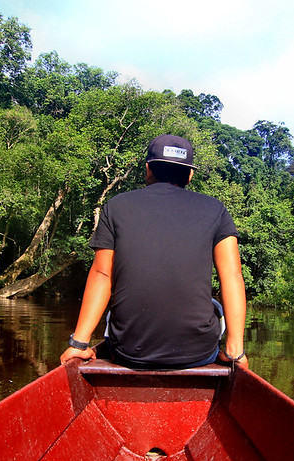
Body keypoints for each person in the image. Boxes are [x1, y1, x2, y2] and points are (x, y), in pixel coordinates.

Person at [60, 134, 247, 369]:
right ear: (190, 174)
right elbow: (232, 276)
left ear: (148, 169)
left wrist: (79, 344)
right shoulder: (216, 210)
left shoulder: (115, 206)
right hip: (197, 352)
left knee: (112, 315)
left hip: (128, 351)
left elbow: (102, 275)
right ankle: (232, 352)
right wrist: (235, 354)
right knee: (215, 307)